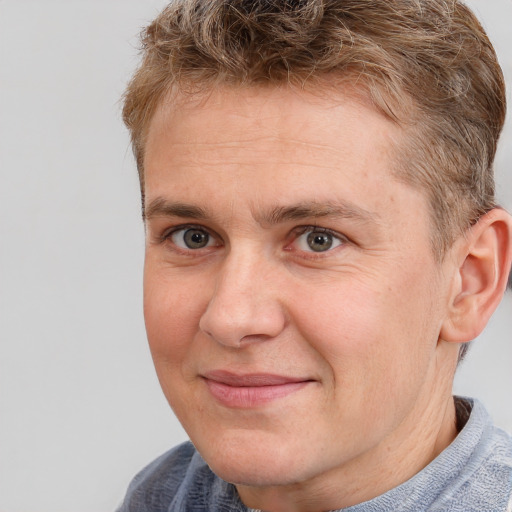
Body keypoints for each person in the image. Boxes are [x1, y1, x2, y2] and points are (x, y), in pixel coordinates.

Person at [117, 1, 512, 510]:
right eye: (193, 236)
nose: (231, 317)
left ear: (469, 280)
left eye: (317, 239)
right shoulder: (162, 496)